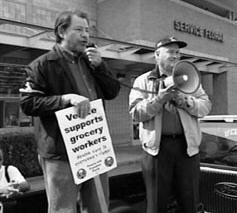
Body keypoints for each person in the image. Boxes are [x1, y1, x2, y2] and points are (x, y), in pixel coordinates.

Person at [20, 10, 120, 213]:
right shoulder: (42, 65)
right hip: (61, 152)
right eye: (79, 30)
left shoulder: (91, 63)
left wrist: (100, 67)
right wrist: (65, 99)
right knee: (62, 209)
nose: (86, 35)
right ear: (62, 31)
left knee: (99, 206)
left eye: (87, 31)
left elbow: (113, 91)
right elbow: (29, 103)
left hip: (94, 147)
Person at [129, 36, 212, 213]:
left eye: (177, 52)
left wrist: (185, 101)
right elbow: (135, 113)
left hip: (186, 148)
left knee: (189, 202)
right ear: (157, 55)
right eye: (170, 52)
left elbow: (205, 106)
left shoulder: (188, 79)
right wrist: (159, 100)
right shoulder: (142, 81)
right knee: (157, 203)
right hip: (157, 150)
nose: (175, 56)